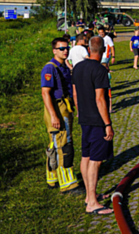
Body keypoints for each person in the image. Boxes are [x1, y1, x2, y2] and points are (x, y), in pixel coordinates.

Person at [72, 36, 114, 214]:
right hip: (97, 121)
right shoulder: (100, 70)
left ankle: (90, 195)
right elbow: (100, 99)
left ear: (89, 49)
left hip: (84, 118)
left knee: (86, 157)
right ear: (104, 50)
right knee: (96, 161)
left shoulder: (78, 67)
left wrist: (80, 111)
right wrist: (107, 123)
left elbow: (74, 93)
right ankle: (92, 204)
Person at [41, 37, 81, 193]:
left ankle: (53, 178)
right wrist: (53, 116)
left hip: (65, 106)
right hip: (57, 107)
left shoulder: (64, 66)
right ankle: (68, 184)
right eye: (62, 48)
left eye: (67, 48)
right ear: (54, 50)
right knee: (64, 144)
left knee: (54, 143)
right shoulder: (50, 68)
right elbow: (45, 93)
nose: (65, 51)